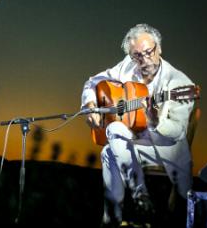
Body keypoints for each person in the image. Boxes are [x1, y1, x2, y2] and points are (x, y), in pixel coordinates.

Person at [82, 24, 197, 226]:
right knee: (113, 133)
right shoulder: (129, 64)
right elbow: (93, 82)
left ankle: (137, 198)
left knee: (111, 148)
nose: (143, 60)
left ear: (159, 48)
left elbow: (177, 133)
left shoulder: (179, 83)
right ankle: (113, 218)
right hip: (133, 143)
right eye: (137, 56)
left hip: (166, 148)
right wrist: (90, 105)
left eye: (148, 52)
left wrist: (154, 122)